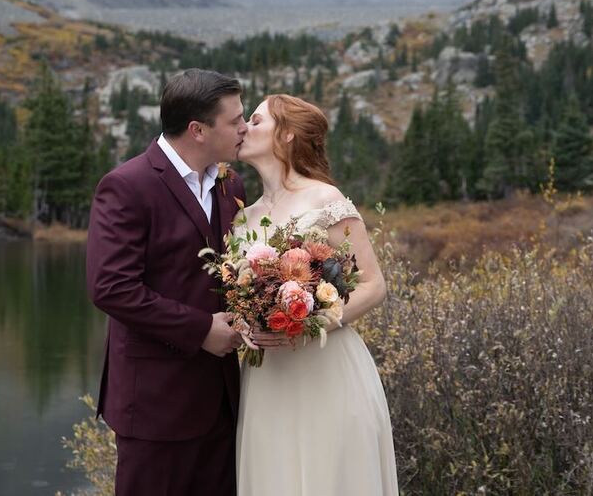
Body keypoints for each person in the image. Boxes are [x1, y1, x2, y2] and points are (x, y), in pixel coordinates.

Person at [85, 69, 249, 496]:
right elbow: (111, 288)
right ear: (197, 130)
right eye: (235, 121)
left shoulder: (231, 185)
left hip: (224, 400)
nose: (245, 128)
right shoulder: (127, 186)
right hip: (156, 404)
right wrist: (201, 331)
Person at [234, 93, 398, 495]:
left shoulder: (325, 199)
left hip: (326, 369)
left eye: (256, 121)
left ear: (287, 134)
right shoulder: (242, 217)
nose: (243, 128)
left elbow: (374, 285)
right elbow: (235, 294)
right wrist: (243, 323)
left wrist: (311, 323)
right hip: (267, 376)